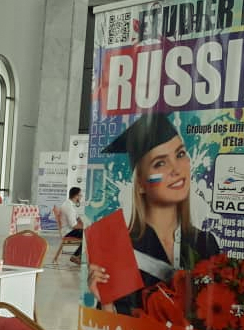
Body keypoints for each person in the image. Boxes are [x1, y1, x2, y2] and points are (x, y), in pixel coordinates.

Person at [88, 113, 219, 316]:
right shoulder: (119, 247)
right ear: (140, 183)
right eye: (160, 163)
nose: (176, 169)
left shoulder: (206, 243)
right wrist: (105, 302)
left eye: (180, 154)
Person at [59, 186, 84, 264]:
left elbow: (77, 217)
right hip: (68, 232)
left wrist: (82, 222)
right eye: (80, 195)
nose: (81, 197)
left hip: (69, 230)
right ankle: (76, 256)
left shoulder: (69, 204)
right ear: (76, 196)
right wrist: (86, 227)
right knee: (89, 235)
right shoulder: (69, 207)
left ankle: (79, 256)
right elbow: (74, 226)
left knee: (88, 232)